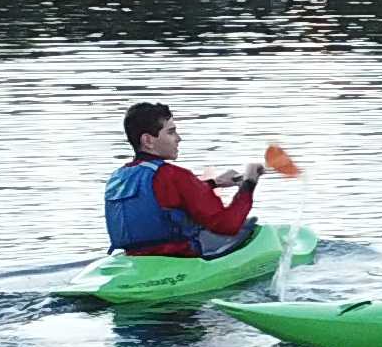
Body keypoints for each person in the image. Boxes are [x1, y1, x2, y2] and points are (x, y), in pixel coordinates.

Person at [103, 101, 264, 259]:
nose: (179, 138)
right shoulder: (176, 176)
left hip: (133, 256)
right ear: (148, 141)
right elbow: (228, 225)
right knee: (251, 229)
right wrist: (249, 183)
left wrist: (214, 183)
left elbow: (161, 197)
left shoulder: (117, 178)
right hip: (179, 256)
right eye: (171, 132)